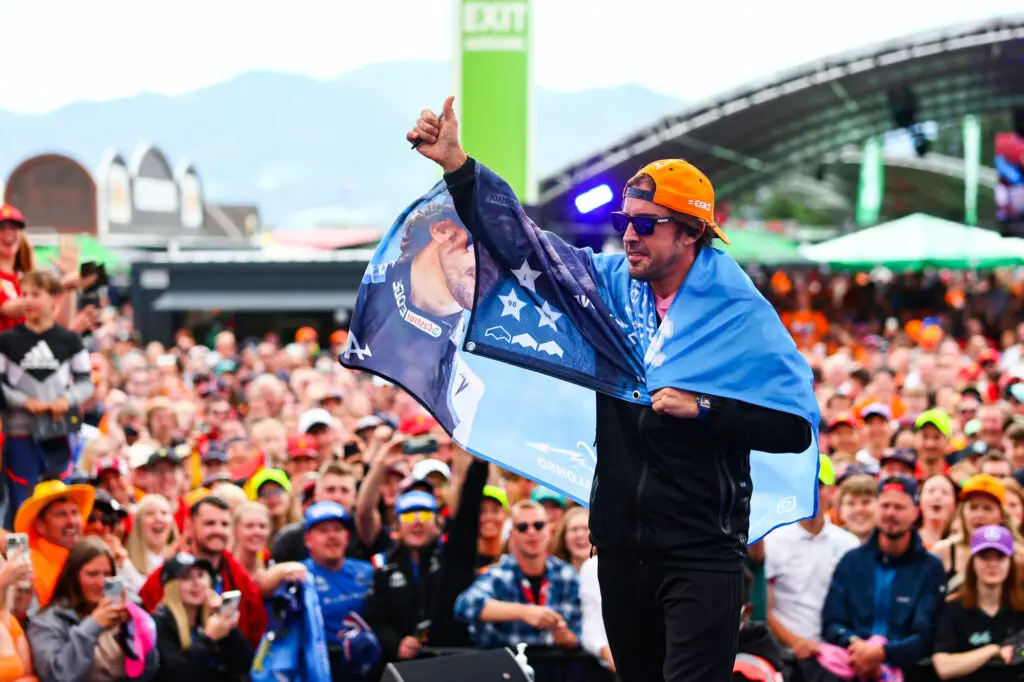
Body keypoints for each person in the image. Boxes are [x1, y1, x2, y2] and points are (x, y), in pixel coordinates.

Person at [410, 96, 814, 682]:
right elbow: (525, 245)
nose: (629, 235)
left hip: (702, 552)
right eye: (626, 221)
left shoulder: (739, 315)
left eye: (646, 224)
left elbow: (792, 428)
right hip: (622, 550)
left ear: (691, 233)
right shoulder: (606, 291)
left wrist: (703, 408)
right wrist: (459, 167)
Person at [339, 196, 481, 434]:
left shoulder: (479, 359)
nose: (495, 267)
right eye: (486, 249)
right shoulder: (372, 291)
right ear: (442, 230)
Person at [820, 475, 946, 680]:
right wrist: (856, 645)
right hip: (850, 665)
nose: (890, 513)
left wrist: (882, 653)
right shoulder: (852, 561)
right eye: (885, 505)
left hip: (908, 672)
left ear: (915, 512)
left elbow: (926, 635)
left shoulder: (930, 567)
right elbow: (832, 621)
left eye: (899, 507)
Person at [0, 270, 95, 524]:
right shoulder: (6, 341)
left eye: (36, 294)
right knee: (21, 504)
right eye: (25, 294)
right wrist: (23, 401)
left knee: (58, 499)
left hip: (58, 431)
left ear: (55, 298)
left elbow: (86, 382)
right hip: (19, 433)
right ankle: (19, 550)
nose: (28, 300)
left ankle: (55, 549)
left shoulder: (69, 340)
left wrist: (66, 400)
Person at [454, 500, 581, 682]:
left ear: (549, 530)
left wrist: (564, 636)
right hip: (505, 672)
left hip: (555, 672)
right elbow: (464, 606)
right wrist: (524, 612)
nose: (531, 532)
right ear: (512, 534)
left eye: (538, 525)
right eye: (522, 527)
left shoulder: (567, 574)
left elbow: (581, 635)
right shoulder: (499, 574)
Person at [764, 455, 859, 675]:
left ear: (832, 492)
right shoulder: (773, 540)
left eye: (819, 485)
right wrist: (797, 642)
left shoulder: (849, 544)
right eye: (804, 484)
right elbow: (765, 608)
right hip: (786, 656)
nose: (811, 492)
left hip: (836, 657)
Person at [138, 496, 266, 648]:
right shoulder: (167, 576)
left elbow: (255, 638)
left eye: (224, 524)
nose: (218, 530)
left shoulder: (239, 578)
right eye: (209, 523)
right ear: (190, 527)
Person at [27, 536, 159, 682]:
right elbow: (57, 676)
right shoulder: (47, 622)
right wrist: (93, 625)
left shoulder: (119, 613)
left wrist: (132, 629)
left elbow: (149, 670)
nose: (101, 582)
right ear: (73, 577)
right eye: (92, 574)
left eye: (107, 574)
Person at [932, 525, 1024, 681]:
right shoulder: (952, 609)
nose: (992, 564)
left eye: (1000, 557)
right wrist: (992, 650)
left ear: (1010, 563)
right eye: (984, 556)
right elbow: (944, 667)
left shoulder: (1020, 609)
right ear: (972, 562)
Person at [151, 552, 254, 682]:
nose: (197, 583)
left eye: (200, 575)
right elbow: (178, 676)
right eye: (187, 577)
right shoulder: (160, 623)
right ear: (172, 587)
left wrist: (227, 621)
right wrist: (208, 639)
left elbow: (246, 663)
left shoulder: (211, 616)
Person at [14, 478, 94, 610]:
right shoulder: (28, 566)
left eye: (75, 512)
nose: (71, 521)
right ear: (40, 526)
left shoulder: (90, 556)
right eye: (61, 514)